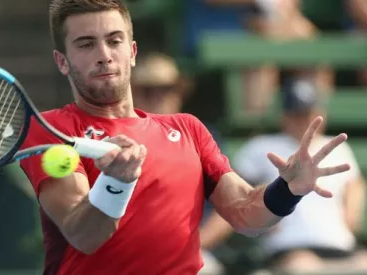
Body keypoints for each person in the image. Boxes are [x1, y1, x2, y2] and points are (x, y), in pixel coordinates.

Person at [19, 1, 351, 274]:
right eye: (86, 44)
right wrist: (116, 183)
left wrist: (288, 189)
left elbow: (246, 215)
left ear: (132, 51)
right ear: (62, 62)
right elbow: (83, 234)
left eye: (114, 40)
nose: (104, 54)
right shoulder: (52, 130)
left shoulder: (188, 129)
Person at [233, 77, 367, 272]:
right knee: (303, 267)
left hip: (339, 244)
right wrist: (260, 217)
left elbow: (354, 183)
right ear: (284, 116)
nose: (304, 121)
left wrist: (351, 214)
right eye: (297, 114)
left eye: (309, 113)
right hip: (288, 247)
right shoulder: (262, 146)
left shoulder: (338, 147)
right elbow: (233, 186)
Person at [131, 52, 230, 274]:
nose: (158, 96)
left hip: (193, 253)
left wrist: (195, 246)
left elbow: (229, 208)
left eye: (167, 87)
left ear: (179, 90)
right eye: (149, 89)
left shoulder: (203, 137)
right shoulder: (115, 138)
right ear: (133, 92)